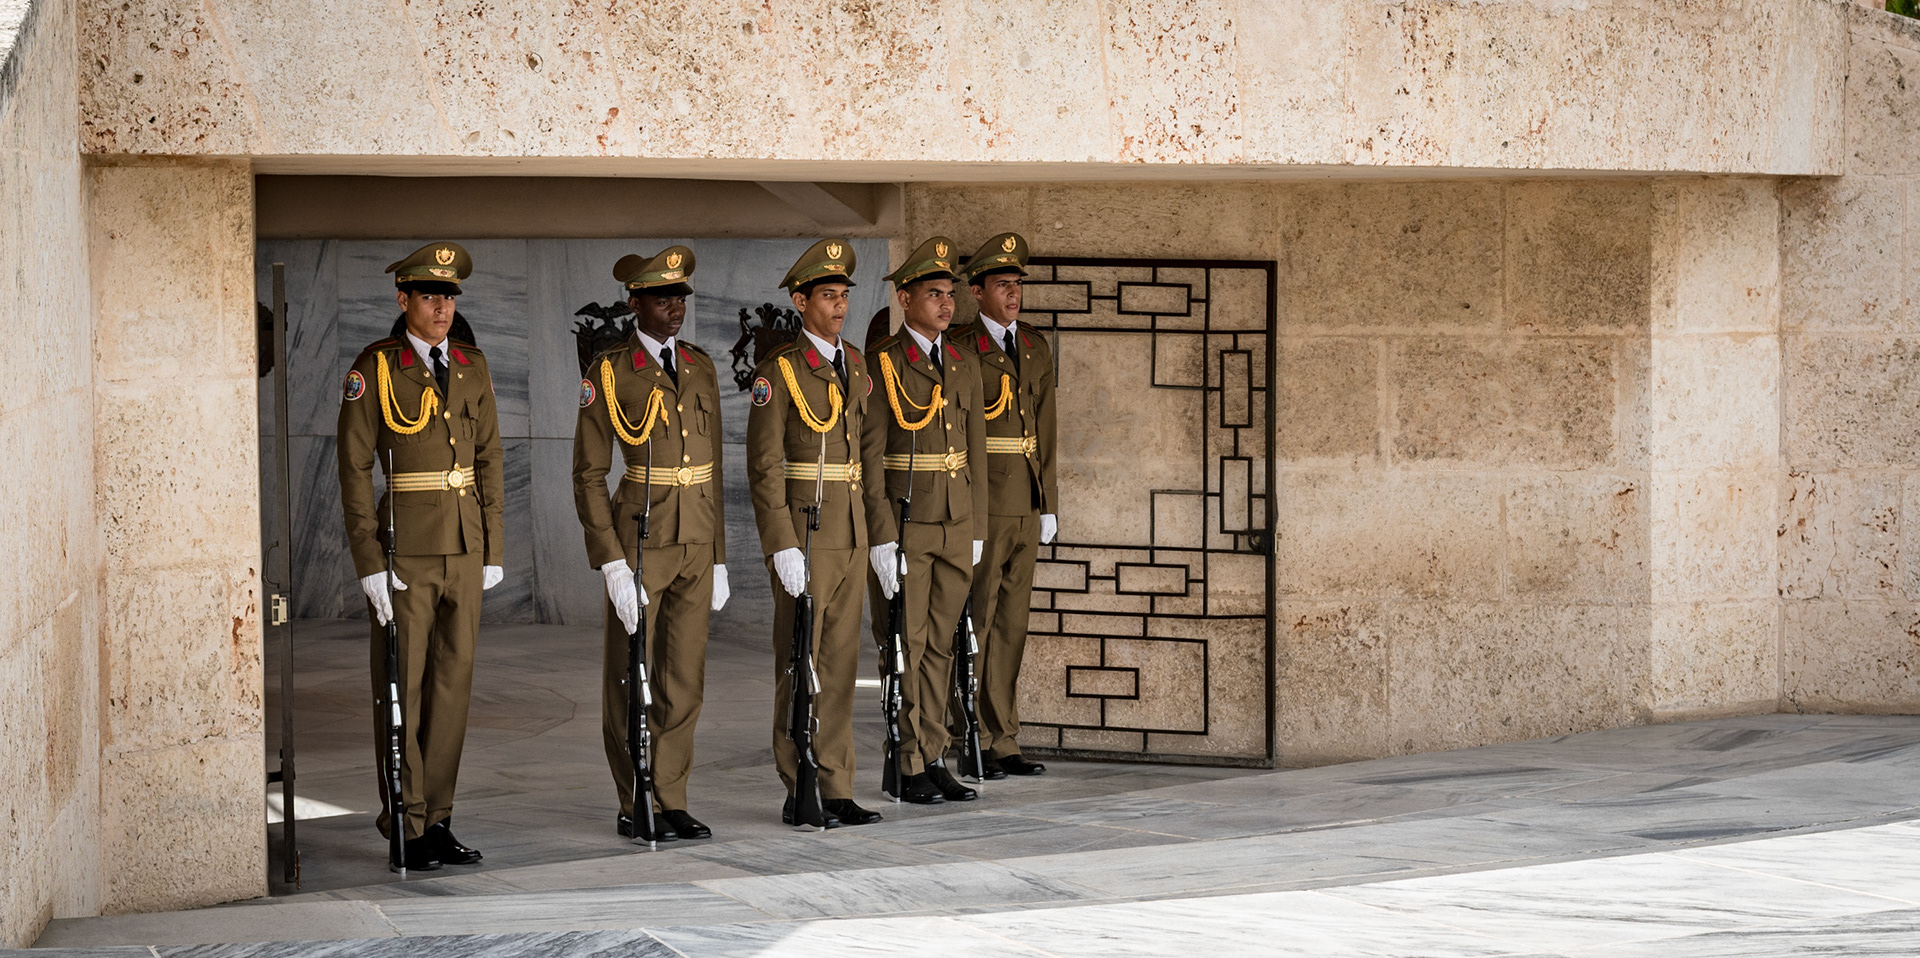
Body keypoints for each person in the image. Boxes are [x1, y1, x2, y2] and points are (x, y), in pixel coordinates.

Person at [337, 242, 505, 870]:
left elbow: (489, 458)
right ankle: (403, 819)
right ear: (403, 299)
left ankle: (438, 817)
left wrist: (493, 543)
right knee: (401, 687)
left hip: (464, 546)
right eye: (431, 294)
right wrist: (366, 560)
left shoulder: (470, 363)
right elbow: (354, 468)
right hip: (403, 549)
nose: (443, 305)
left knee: (453, 688)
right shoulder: (375, 367)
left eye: (450, 295)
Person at [573, 245, 728, 842]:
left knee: (683, 676)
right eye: (662, 298)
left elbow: (711, 468)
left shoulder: (700, 365)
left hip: (693, 538)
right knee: (628, 674)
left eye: (680, 297)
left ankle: (671, 793)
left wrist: (717, 556)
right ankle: (632, 795)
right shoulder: (609, 372)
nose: (674, 308)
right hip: (640, 539)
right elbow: (587, 475)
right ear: (634, 302)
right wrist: (610, 559)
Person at [745, 238, 888, 827]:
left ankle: (837, 784)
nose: (839, 306)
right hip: (806, 533)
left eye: (844, 296)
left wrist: (878, 535)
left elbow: (870, 456)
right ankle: (797, 781)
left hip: (850, 531)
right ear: (800, 301)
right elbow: (765, 464)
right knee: (798, 659)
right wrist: (780, 543)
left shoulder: (854, 363)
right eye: (827, 296)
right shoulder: (777, 372)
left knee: (838, 662)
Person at [865, 236, 988, 804]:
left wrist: (979, 526)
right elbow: (869, 456)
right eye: (934, 294)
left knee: (943, 644)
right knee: (907, 643)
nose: (946, 305)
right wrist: (883, 535)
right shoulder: (882, 364)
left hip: (956, 522)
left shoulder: (962, 362)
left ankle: (934, 755)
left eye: (950, 295)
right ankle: (906, 759)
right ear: (906, 299)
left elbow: (978, 451)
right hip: (909, 522)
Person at [948, 232, 1057, 778]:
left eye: (1017, 285)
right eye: (1002, 285)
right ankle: (966, 732)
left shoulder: (1035, 346)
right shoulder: (963, 347)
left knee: (1012, 623)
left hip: (1025, 503)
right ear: (977, 291)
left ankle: (1003, 737)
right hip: (984, 502)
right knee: (977, 619)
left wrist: (1050, 501)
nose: (1013, 295)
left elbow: (1047, 431)